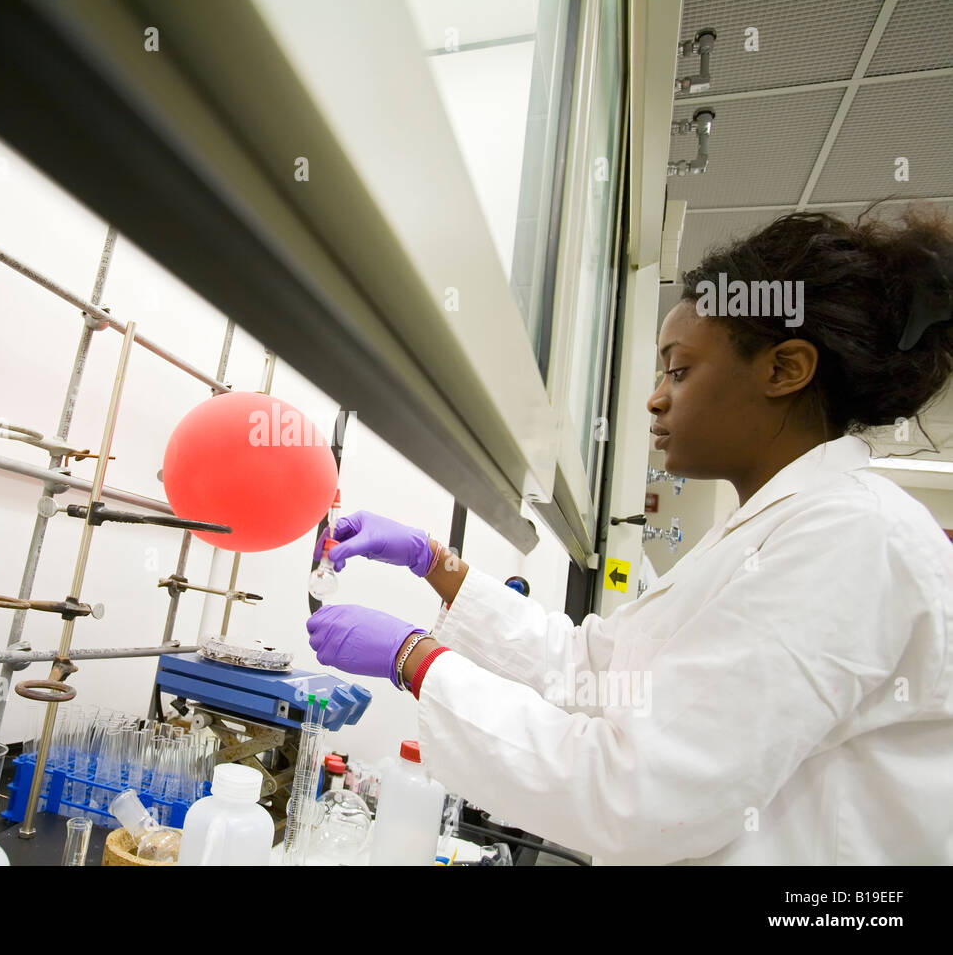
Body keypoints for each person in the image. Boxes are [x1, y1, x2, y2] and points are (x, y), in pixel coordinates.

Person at [306, 207, 953, 864]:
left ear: (784, 369)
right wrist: (432, 561)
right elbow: (593, 668)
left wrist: (413, 657)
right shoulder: (767, 530)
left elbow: (643, 796)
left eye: (679, 371)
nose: (654, 399)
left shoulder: (851, 538)